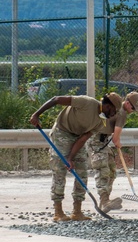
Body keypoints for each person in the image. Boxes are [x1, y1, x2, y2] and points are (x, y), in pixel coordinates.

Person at [29, 92, 122, 222]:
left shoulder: (102, 122)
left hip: (77, 137)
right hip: (62, 132)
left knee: (82, 172)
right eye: (114, 111)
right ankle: (58, 212)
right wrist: (37, 115)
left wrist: (70, 158)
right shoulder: (86, 102)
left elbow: (83, 139)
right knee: (59, 171)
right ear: (108, 105)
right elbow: (56, 99)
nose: (114, 114)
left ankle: (77, 211)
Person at [86, 91, 138, 212]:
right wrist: (118, 143)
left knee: (112, 170)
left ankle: (105, 200)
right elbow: (116, 138)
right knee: (103, 170)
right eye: (133, 108)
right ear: (127, 103)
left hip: (102, 142)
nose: (133, 111)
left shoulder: (119, 110)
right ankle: (104, 200)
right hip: (95, 142)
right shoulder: (122, 114)